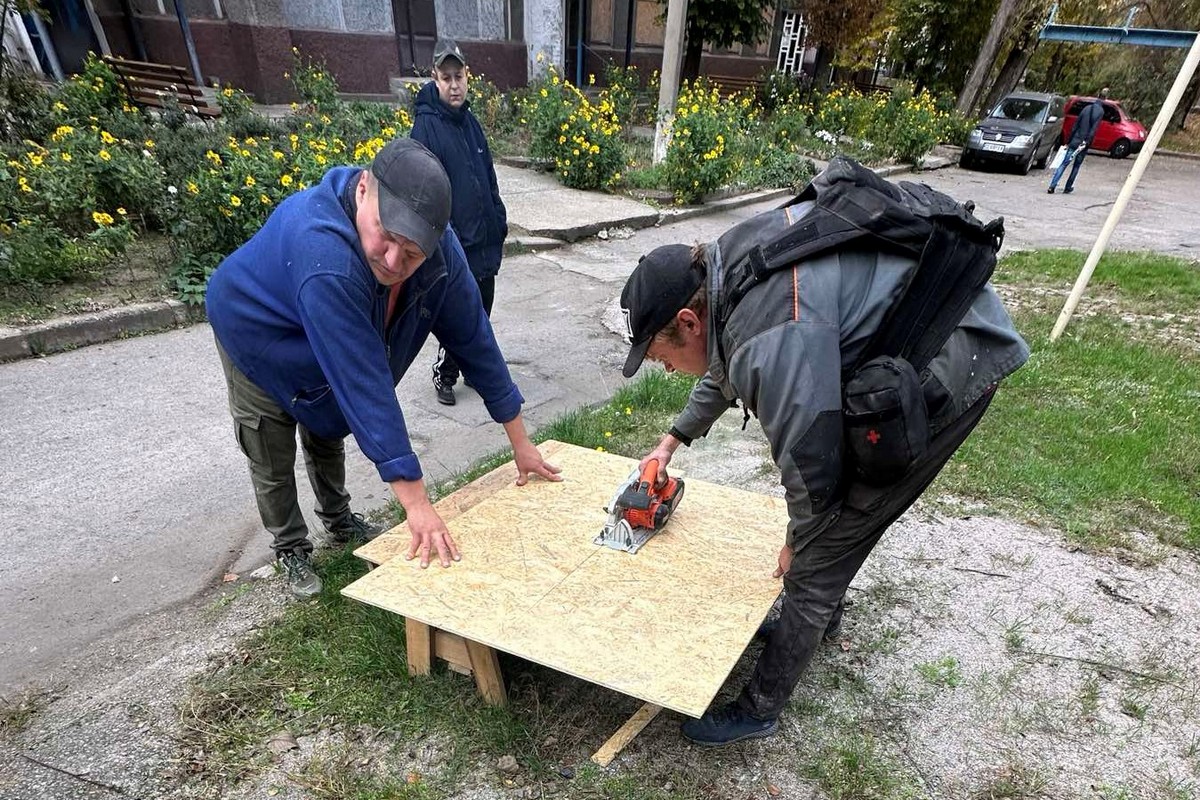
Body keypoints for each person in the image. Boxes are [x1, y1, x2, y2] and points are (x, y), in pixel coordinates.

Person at [618, 187, 1029, 745]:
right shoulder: (724, 269)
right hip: (922, 327)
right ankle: (815, 617)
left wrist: (800, 543)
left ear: (688, 320)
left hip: (949, 356)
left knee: (828, 541)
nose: (665, 369)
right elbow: (724, 362)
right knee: (826, 533)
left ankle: (761, 704)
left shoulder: (766, 337)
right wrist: (672, 439)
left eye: (661, 358)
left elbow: (815, 467)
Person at [207, 137, 560, 598]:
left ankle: (337, 520)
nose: (393, 261)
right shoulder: (324, 254)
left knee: (329, 424)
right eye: (386, 236)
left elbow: (476, 342)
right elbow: (365, 384)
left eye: (412, 253)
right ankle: (290, 547)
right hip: (255, 331)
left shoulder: (440, 256)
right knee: (271, 444)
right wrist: (417, 505)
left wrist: (522, 443)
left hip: (320, 322)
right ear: (363, 189)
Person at [410, 39, 509, 407]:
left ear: (468, 77)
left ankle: (473, 371)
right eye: (446, 77)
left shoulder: (470, 123)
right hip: (455, 244)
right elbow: (422, 191)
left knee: (482, 311)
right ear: (435, 79)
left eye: (459, 76)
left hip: (484, 239)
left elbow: (487, 175)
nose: (454, 85)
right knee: (459, 315)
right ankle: (445, 372)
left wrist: (498, 218)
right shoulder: (426, 128)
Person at [1048, 88, 1109, 195]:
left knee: (1064, 164)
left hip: (1075, 140)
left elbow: (1075, 126)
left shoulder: (1086, 109)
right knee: (1076, 166)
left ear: (1097, 96)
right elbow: (1093, 129)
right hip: (1083, 144)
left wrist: (1069, 140)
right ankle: (1068, 187)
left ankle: (1052, 185)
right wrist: (1087, 141)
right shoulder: (1100, 112)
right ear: (1105, 99)